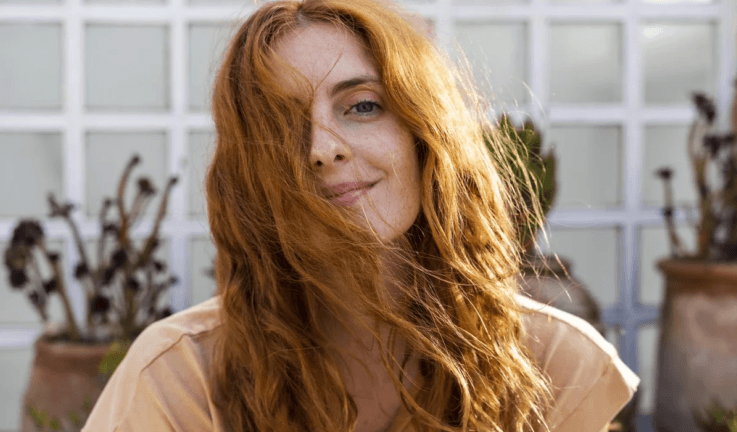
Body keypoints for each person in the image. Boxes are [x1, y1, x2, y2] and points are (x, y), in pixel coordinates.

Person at [81, 1, 639, 431]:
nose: (323, 148)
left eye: (363, 106)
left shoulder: (554, 359)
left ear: (425, 135)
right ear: (250, 179)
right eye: (282, 124)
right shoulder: (178, 376)